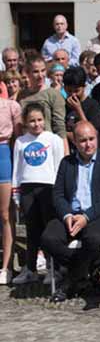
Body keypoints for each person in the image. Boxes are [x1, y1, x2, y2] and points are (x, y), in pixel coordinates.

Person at [41, 121, 100, 302]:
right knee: (48, 239)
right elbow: (58, 193)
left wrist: (86, 217)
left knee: (93, 239)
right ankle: (89, 269)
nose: (88, 144)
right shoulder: (67, 163)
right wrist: (67, 215)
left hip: (98, 214)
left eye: (91, 139)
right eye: (82, 140)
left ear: (97, 138)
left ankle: (69, 283)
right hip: (71, 213)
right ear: (75, 142)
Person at [10, 103, 66, 285]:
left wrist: (60, 192)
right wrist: (16, 195)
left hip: (48, 188)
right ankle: (30, 269)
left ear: (45, 120)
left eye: (39, 120)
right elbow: (17, 171)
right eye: (32, 121)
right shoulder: (21, 142)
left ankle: (53, 269)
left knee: (49, 230)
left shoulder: (53, 140)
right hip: (27, 189)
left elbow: (59, 167)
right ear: (26, 122)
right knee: (32, 230)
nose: (36, 124)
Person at [0, 92, 21, 284]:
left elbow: (18, 138)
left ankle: (6, 266)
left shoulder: (10, 106)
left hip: (3, 154)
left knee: (6, 214)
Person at [63, 66, 100, 140]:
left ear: (84, 87)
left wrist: (78, 109)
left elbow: (92, 133)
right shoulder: (62, 105)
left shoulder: (93, 105)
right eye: (69, 91)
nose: (73, 94)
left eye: (77, 91)